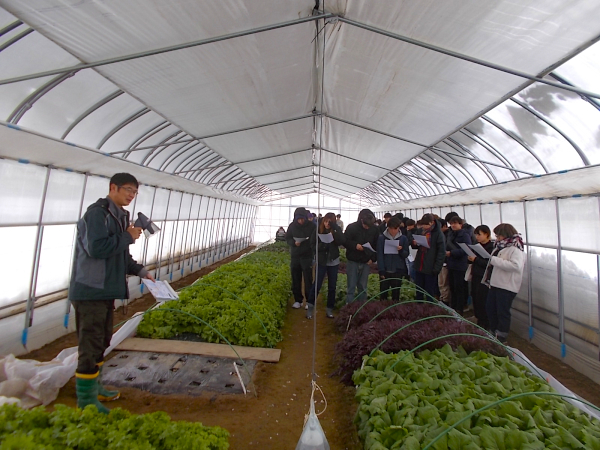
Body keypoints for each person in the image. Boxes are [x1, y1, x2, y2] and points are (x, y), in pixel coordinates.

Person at [69, 173, 155, 413]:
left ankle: (95, 388)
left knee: (103, 341)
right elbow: (97, 248)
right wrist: (127, 236)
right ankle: (86, 401)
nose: (131, 195)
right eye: (127, 189)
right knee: (91, 343)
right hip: (90, 291)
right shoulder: (97, 214)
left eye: (134, 192)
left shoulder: (120, 217)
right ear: (112, 187)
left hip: (105, 291)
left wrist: (140, 270)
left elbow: (119, 254)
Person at [483, 223, 525, 343]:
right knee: (490, 308)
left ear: (506, 235)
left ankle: (501, 335)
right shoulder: (500, 246)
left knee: (502, 311)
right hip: (495, 283)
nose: (497, 238)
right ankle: (493, 330)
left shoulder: (515, 248)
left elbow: (516, 266)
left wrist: (494, 260)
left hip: (507, 286)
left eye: (499, 235)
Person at [307, 213, 344, 319]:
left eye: (330, 222)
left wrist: (336, 229)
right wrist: (322, 245)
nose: (327, 223)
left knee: (332, 286)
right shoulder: (318, 230)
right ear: (323, 221)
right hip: (322, 261)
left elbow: (342, 241)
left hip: (333, 262)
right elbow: (312, 244)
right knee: (317, 285)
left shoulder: (335, 231)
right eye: (326, 221)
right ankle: (310, 307)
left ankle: (329, 309)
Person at [344, 209, 379, 303]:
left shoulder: (375, 229)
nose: (367, 228)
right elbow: (345, 241)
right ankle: (349, 308)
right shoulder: (351, 227)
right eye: (365, 225)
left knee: (363, 287)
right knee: (351, 286)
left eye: (369, 226)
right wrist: (355, 245)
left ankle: (361, 308)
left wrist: (373, 258)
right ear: (361, 220)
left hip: (366, 262)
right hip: (353, 261)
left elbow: (377, 245)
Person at [285, 207, 316, 309]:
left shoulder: (312, 226)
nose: (301, 221)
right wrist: (294, 243)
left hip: (307, 255)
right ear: (295, 218)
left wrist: (307, 243)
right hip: (295, 256)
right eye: (299, 219)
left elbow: (314, 239)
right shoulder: (292, 226)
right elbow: (288, 238)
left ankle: (309, 301)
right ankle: (298, 300)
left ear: (306, 218)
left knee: (308, 279)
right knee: (296, 278)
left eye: (302, 219)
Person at [411, 214, 445, 300]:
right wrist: (414, 243)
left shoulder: (438, 234)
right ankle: (419, 307)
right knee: (419, 289)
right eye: (423, 224)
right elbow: (415, 246)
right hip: (420, 264)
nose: (424, 226)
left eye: (426, 224)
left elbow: (441, 252)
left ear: (432, 222)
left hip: (430, 266)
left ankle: (429, 309)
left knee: (429, 291)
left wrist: (437, 268)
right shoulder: (420, 231)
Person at [377, 217, 409, 301]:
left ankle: (394, 312)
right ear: (387, 227)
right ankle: (382, 310)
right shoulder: (382, 238)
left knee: (396, 294)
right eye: (391, 229)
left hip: (397, 270)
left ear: (399, 228)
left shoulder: (403, 239)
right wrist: (381, 270)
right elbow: (379, 255)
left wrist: (401, 250)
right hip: (385, 269)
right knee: (383, 294)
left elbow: (406, 254)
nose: (393, 231)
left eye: (395, 229)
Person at [468, 225, 493, 329]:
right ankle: (478, 318)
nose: (477, 237)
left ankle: (484, 322)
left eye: (479, 234)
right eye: (476, 234)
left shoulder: (491, 247)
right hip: (475, 275)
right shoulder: (477, 246)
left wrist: (475, 260)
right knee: (475, 297)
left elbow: (488, 263)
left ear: (487, 234)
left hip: (484, 277)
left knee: (482, 299)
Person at [445, 216, 471, 314]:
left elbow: (466, 250)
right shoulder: (451, 234)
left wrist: (452, 253)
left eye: (455, 223)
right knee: (452, 286)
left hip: (460, 265)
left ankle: (459, 309)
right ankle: (453, 306)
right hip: (451, 264)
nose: (453, 225)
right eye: (451, 224)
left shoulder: (465, 235)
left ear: (460, 224)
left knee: (459, 287)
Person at [437, 219, 451, 305]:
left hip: (447, 262)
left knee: (445, 282)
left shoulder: (448, 235)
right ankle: (442, 298)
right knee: (441, 282)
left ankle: (445, 300)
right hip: (441, 261)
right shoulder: (441, 235)